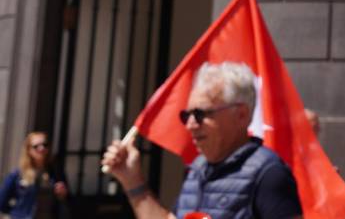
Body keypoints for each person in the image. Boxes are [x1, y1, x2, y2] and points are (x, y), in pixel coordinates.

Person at [101, 62, 302, 219]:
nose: (190, 125)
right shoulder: (197, 169)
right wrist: (131, 180)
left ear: (241, 115)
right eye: (186, 116)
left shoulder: (269, 173)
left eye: (200, 114)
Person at [0, 132, 68, 218]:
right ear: (28, 150)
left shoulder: (56, 173)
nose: (42, 148)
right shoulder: (17, 175)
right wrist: (17, 213)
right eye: (36, 146)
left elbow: (67, 201)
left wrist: (63, 195)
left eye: (45, 145)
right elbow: (1, 202)